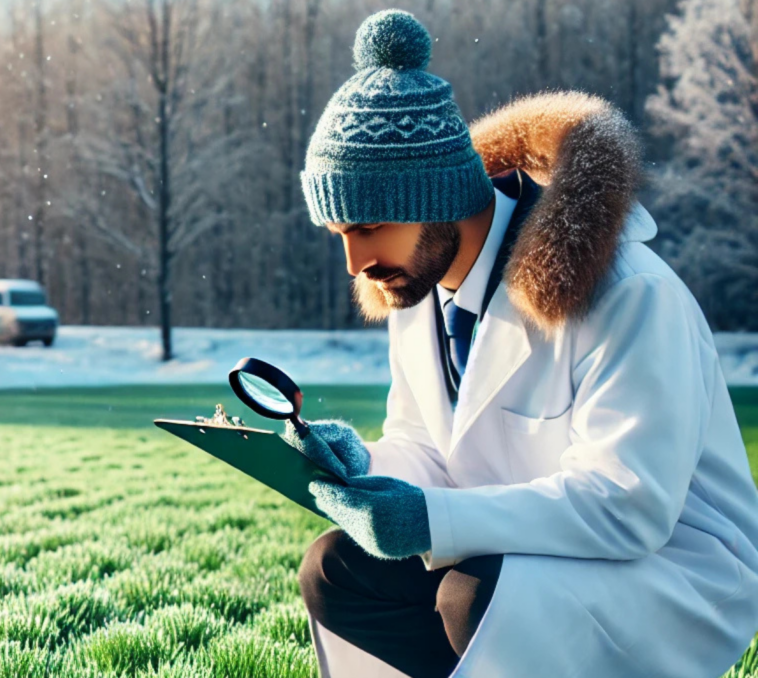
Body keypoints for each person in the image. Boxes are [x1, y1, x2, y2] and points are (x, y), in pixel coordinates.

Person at [279, 8, 758, 678]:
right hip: (527, 546)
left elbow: (630, 506)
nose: (357, 262)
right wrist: (364, 462)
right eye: (341, 235)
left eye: (371, 225)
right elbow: (428, 448)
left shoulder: (627, 292)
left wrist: (429, 520)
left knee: (474, 596)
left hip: (673, 570)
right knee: (335, 569)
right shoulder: (415, 289)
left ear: (439, 194)